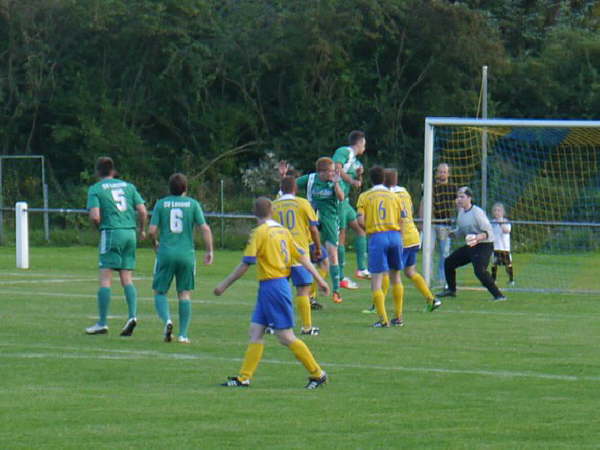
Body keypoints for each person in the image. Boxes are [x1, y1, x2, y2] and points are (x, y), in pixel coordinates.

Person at [214, 197, 330, 389]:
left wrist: (224, 285)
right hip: (271, 287)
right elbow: (301, 257)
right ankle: (244, 378)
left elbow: (246, 263)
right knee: (255, 331)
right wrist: (320, 279)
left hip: (274, 286)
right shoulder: (282, 231)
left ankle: (317, 373)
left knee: (285, 336)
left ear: (254, 213)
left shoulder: (259, 233)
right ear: (272, 211)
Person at [149, 173, 214, 344]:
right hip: (186, 254)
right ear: (185, 188)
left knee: (160, 291)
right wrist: (209, 250)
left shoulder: (161, 204)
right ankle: (183, 334)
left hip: (166, 253)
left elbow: (151, 229)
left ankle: (167, 321)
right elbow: (205, 229)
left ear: (169, 188)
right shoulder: (193, 204)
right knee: (184, 294)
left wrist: (154, 242)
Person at [85, 156, 147, 336]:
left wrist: (101, 229)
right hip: (130, 232)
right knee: (127, 278)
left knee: (105, 278)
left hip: (111, 232)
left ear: (98, 172)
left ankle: (102, 322)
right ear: (113, 170)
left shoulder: (96, 189)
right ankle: (132, 316)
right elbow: (142, 210)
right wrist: (141, 230)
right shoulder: (128, 186)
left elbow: (95, 216)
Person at [384, 168, 442, 313]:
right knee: (410, 272)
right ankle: (431, 299)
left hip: (402, 238)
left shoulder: (387, 195)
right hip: (414, 236)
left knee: (389, 273)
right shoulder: (404, 192)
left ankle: (379, 306)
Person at [356, 166, 406, 327]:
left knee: (377, 279)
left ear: (371, 179)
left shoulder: (365, 196)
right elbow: (402, 219)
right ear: (384, 179)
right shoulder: (394, 196)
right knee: (396, 277)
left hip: (378, 236)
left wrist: (370, 229)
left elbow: (360, 220)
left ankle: (383, 320)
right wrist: (400, 237)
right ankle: (398, 317)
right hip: (395, 235)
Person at [272, 175, 322, 335]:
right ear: (295, 189)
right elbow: (313, 228)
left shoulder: (274, 205)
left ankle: (273, 324)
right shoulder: (303, 203)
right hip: (300, 253)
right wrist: (318, 247)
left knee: (278, 289)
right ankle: (307, 327)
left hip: (279, 253)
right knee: (303, 290)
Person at [438, 187, 506, 301]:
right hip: (472, 245)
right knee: (449, 262)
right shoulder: (461, 212)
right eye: (458, 197)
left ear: (469, 198)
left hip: (484, 245)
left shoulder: (477, 212)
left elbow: (488, 233)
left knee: (479, 271)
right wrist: (451, 234)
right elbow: (461, 232)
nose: (459, 199)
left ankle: (499, 295)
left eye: (462, 197)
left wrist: (476, 237)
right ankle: (451, 290)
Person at [296, 157, 345, 304]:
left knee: (331, 253)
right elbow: (291, 185)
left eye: (332, 171)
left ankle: (336, 291)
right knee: (309, 254)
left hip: (330, 217)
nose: (332, 173)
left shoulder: (335, 180)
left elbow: (341, 197)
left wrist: (336, 183)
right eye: (329, 171)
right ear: (320, 172)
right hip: (312, 217)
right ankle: (310, 293)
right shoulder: (310, 179)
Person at [332, 130, 370, 288]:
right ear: (359, 142)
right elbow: (337, 169)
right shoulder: (344, 151)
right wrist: (351, 181)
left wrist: (359, 176)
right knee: (341, 235)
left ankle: (361, 269)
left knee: (361, 229)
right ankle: (340, 277)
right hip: (338, 200)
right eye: (364, 144)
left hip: (346, 202)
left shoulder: (356, 163)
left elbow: (358, 183)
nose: (365, 148)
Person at [419, 163, 458, 286]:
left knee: (444, 253)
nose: (442, 174)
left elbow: (457, 205)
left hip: (445, 224)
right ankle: (427, 278)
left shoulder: (453, 188)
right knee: (428, 250)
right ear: (436, 173)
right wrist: (421, 221)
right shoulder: (431, 186)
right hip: (431, 223)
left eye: (444, 172)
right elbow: (423, 202)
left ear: (448, 173)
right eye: (440, 171)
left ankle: (442, 277)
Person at [490, 202, 514, 286]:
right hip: (495, 247)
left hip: (504, 248)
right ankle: (493, 279)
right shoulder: (492, 222)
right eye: (495, 210)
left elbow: (506, 230)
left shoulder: (506, 222)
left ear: (503, 212)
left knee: (508, 264)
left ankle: (511, 280)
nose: (497, 212)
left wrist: (501, 222)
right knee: (494, 263)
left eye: (499, 210)